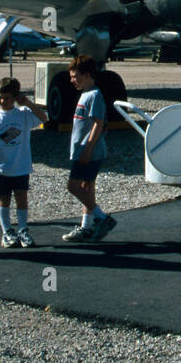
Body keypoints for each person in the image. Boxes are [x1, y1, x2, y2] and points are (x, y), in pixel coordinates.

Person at [0, 77, 49, 248]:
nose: (3, 101)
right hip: (2, 168)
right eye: (0, 97)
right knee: (4, 199)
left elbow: (44, 118)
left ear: (15, 98)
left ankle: (23, 230)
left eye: (8, 97)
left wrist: (28, 103)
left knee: (21, 198)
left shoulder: (24, 114)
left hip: (21, 166)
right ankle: (7, 232)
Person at [63, 56, 117, 242]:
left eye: (75, 76)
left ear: (86, 75)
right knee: (87, 188)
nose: (72, 80)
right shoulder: (85, 93)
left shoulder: (94, 95)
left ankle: (103, 218)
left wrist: (87, 149)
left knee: (73, 186)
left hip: (88, 152)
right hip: (82, 150)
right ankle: (86, 226)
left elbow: (98, 124)